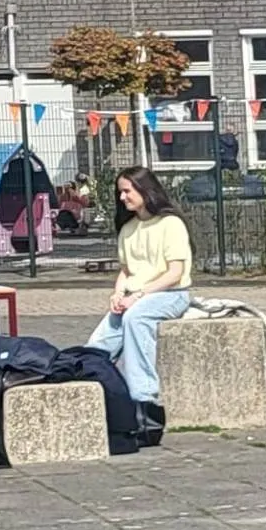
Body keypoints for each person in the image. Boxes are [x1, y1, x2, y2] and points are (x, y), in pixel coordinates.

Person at [82, 166, 193, 408]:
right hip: (135, 295)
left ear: (145, 190)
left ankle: (144, 398)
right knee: (99, 342)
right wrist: (118, 293)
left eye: (127, 191)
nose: (122, 198)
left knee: (136, 318)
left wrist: (139, 296)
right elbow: (126, 270)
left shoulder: (170, 224)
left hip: (170, 294)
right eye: (120, 193)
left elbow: (175, 273)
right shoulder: (128, 228)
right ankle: (91, 393)